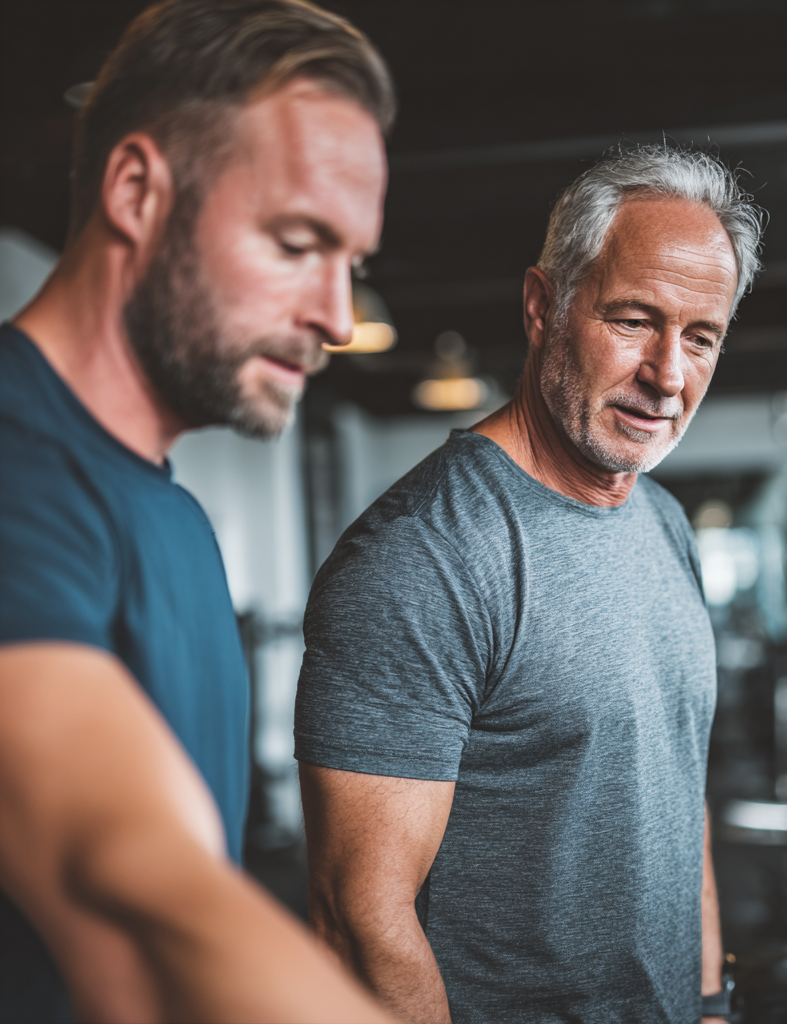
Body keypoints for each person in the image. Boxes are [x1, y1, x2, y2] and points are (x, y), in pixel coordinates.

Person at [295, 145, 763, 1023]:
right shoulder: (423, 557)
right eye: (633, 321)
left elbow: (675, 795)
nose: (669, 374)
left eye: (701, 337)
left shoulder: (662, 522)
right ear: (543, 306)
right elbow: (358, 922)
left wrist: (706, 1004)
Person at [0, 1, 397, 1021]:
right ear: (137, 190)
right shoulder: (14, 458)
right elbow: (133, 877)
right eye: (298, 241)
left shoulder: (171, 514)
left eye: (351, 262)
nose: (337, 317)